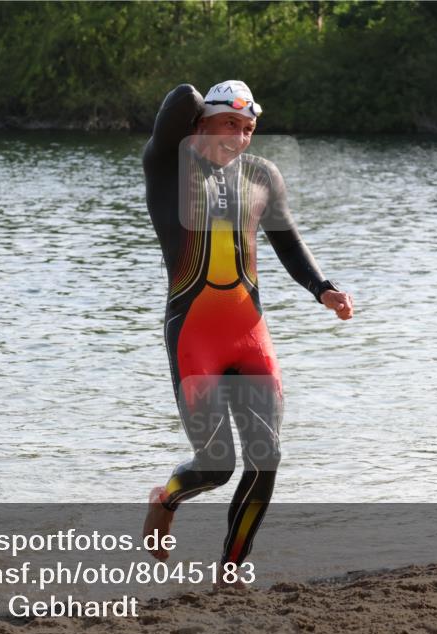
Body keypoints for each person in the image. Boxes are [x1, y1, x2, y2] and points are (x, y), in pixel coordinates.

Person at [141, 80, 354, 571]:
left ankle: (231, 571)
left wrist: (323, 288)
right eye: (229, 125)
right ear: (201, 125)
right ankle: (166, 499)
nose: (239, 137)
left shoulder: (262, 175)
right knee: (216, 465)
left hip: (249, 334)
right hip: (194, 334)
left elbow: (288, 241)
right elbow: (178, 101)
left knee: (267, 458)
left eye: (249, 129)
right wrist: (204, 107)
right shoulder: (170, 166)